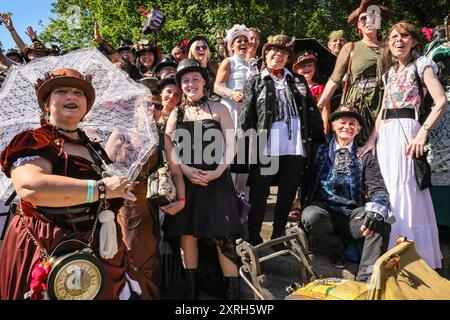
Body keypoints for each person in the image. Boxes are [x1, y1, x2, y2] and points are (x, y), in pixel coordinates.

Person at [0, 68, 137, 300]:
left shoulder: (94, 147)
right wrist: (103, 189)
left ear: (86, 105)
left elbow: (105, 192)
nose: (71, 97)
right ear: (46, 105)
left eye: (78, 93)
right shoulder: (35, 140)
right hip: (46, 242)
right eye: (62, 91)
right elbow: (31, 187)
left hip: (97, 244)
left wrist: (119, 189)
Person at [358, 22, 448, 269]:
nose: (398, 41)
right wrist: (371, 139)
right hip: (386, 133)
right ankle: (386, 249)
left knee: (406, 188)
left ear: (414, 41)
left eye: (404, 36)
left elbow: (440, 101)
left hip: (409, 131)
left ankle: (412, 253)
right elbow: (383, 109)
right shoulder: (389, 73)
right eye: (394, 37)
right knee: (387, 188)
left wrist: (423, 134)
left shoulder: (422, 65)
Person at [163, 58, 242, 300]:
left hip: (216, 179)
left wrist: (218, 171)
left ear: (204, 82)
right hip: (187, 180)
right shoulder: (176, 113)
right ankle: (191, 290)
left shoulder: (219, 109)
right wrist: (185, 170)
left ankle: (234, 295)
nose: (190, 84)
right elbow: (168, 146)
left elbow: (232, 145)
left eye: (195, 79)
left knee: (223, 235)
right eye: (185, 81)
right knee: (188, 234)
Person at [238, 34, 325, 246]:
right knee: (260, 191)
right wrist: (241, 152)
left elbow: (311, 111)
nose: (278, 55)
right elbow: (246, 117)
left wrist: (320, 140)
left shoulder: (298, 80)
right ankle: (254, 235)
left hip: (295, 142)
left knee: (287, 191)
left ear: (288, 58)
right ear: (265, 55)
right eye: (273, 51)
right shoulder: (255, 81)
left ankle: (278, 235)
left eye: (283, 52)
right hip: (268, 142)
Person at [301, 105, 393, 282]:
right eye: (342, 123)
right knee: (311, 215)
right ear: (334, 126)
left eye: (352, 124)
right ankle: (337, 249)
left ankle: (366, 280)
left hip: (352, 215)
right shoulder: (318, 150)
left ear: (358, 129)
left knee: (380, 221)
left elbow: (379, 189)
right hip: (323, 211)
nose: (347, 127)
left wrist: (377, 209)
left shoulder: (365, 155)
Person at [111, 93, 185, 300]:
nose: (152, 109)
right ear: (134, 109)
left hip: (144, 203)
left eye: (157, 106)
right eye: (146, 105)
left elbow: (177, 172)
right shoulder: (121, 133)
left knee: (142, 255)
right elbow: (104, 166)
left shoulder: (163, 137)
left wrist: (181, 200)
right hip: (116, 200)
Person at [317, 0, 392, 142]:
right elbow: (334, 80)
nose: (369, 20)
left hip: (385, 103)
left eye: (373, 16)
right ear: (358, 24)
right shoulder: (350, 47)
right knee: (356, 147)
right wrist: (318, 107)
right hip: (358, 104)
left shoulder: (390, 49)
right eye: (363, 18)